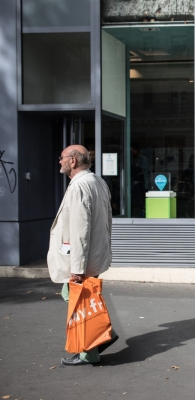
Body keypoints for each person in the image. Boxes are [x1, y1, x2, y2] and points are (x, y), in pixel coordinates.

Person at [47, 145, 118, 365]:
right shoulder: (98, 182)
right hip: (93, 256)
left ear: (73, 161)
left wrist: (77, 268)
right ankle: (104, 336)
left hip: (82, 261)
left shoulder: (79, 186)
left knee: (79, 300)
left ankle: (91, 350)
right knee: (86, 301)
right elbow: (107, 220)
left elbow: (80, 229)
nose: (59, 161)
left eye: (62, 158)